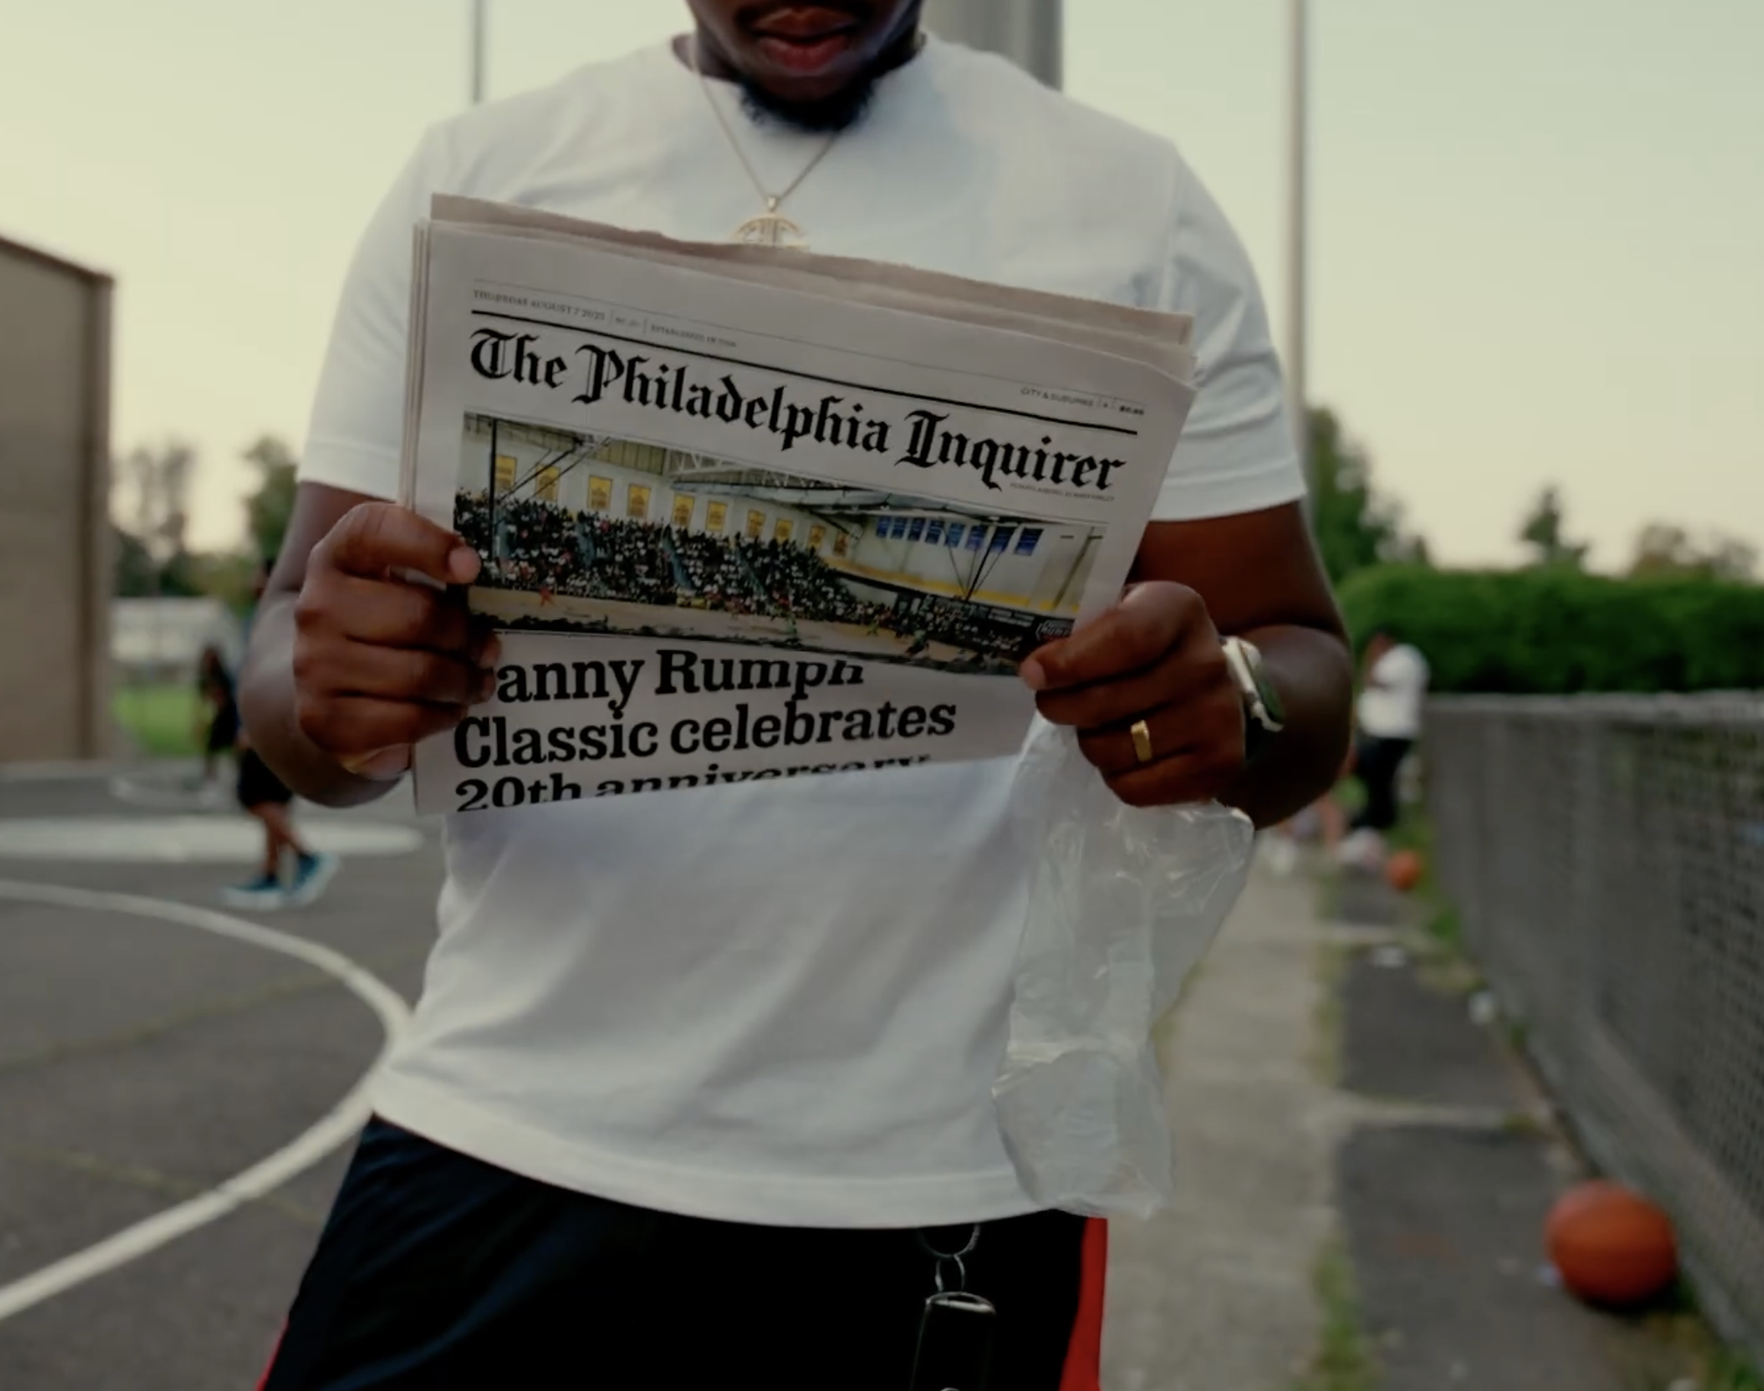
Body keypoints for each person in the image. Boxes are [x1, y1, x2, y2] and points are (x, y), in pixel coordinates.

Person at [237, 6, 1354, 1387]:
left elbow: (1301, 662)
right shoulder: (484, 171)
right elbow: (292, 650)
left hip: (933, 1197)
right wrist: (337, 694)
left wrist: (1222, 700)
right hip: (505, 1133)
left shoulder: (1131, 199)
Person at [224, 565, 338, 911]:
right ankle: (271, 875)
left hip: (271, 726)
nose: (251, 581)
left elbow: (272, 674)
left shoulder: (281, 619)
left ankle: (308, 857)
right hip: (272, 723)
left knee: (253, 798)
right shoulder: (264, 618)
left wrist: (254, 726)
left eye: (258, 574)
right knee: (272, 802)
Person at [1342, 626, 1429, 864]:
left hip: (1393, 733)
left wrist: (1371, 661)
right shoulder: (1392, 660)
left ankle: (1379, 819)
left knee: (1377, 776)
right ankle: (1373, 819)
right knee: (1373, 776)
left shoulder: (1403, 659)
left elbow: (1374, 681)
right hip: (1380, 734)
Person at [194, 643, 240, 792]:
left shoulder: (221, 676)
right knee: (212, 749)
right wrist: (201, 721)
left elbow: (221, 699)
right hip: (219, 716)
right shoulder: (206, 676)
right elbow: (202, 700)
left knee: (233, 747)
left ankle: (236, 777)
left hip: (227, 715)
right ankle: (210, 779)